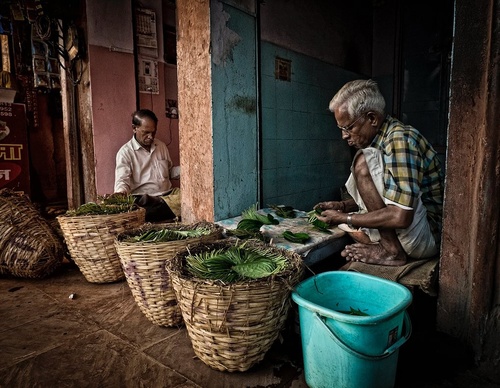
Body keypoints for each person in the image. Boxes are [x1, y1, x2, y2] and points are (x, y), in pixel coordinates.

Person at [315, 79, 444, 266]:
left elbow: (401, 215)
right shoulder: (381, 141)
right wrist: (343, 206)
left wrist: (345, 217)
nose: (344, 136)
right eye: (341, 129)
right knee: (347, 227)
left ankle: (392, 251)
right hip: (413, 230)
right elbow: (390, 196)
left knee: (362, 162)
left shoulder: (399, 139)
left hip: (426, 237)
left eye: (349, 127)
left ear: (372, 118)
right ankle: (386, 244)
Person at [114, 109, 181, 222]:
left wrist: (188, 169)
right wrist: (120, 194)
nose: (150, 136)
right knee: (141, 210)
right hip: (144, 199)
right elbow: (122, 181)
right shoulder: (125, 153)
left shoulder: (161, 146)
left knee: (187, 198)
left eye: (153, 132)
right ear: (134, 128)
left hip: (167, 196)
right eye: (146, 132)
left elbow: (169, 173)